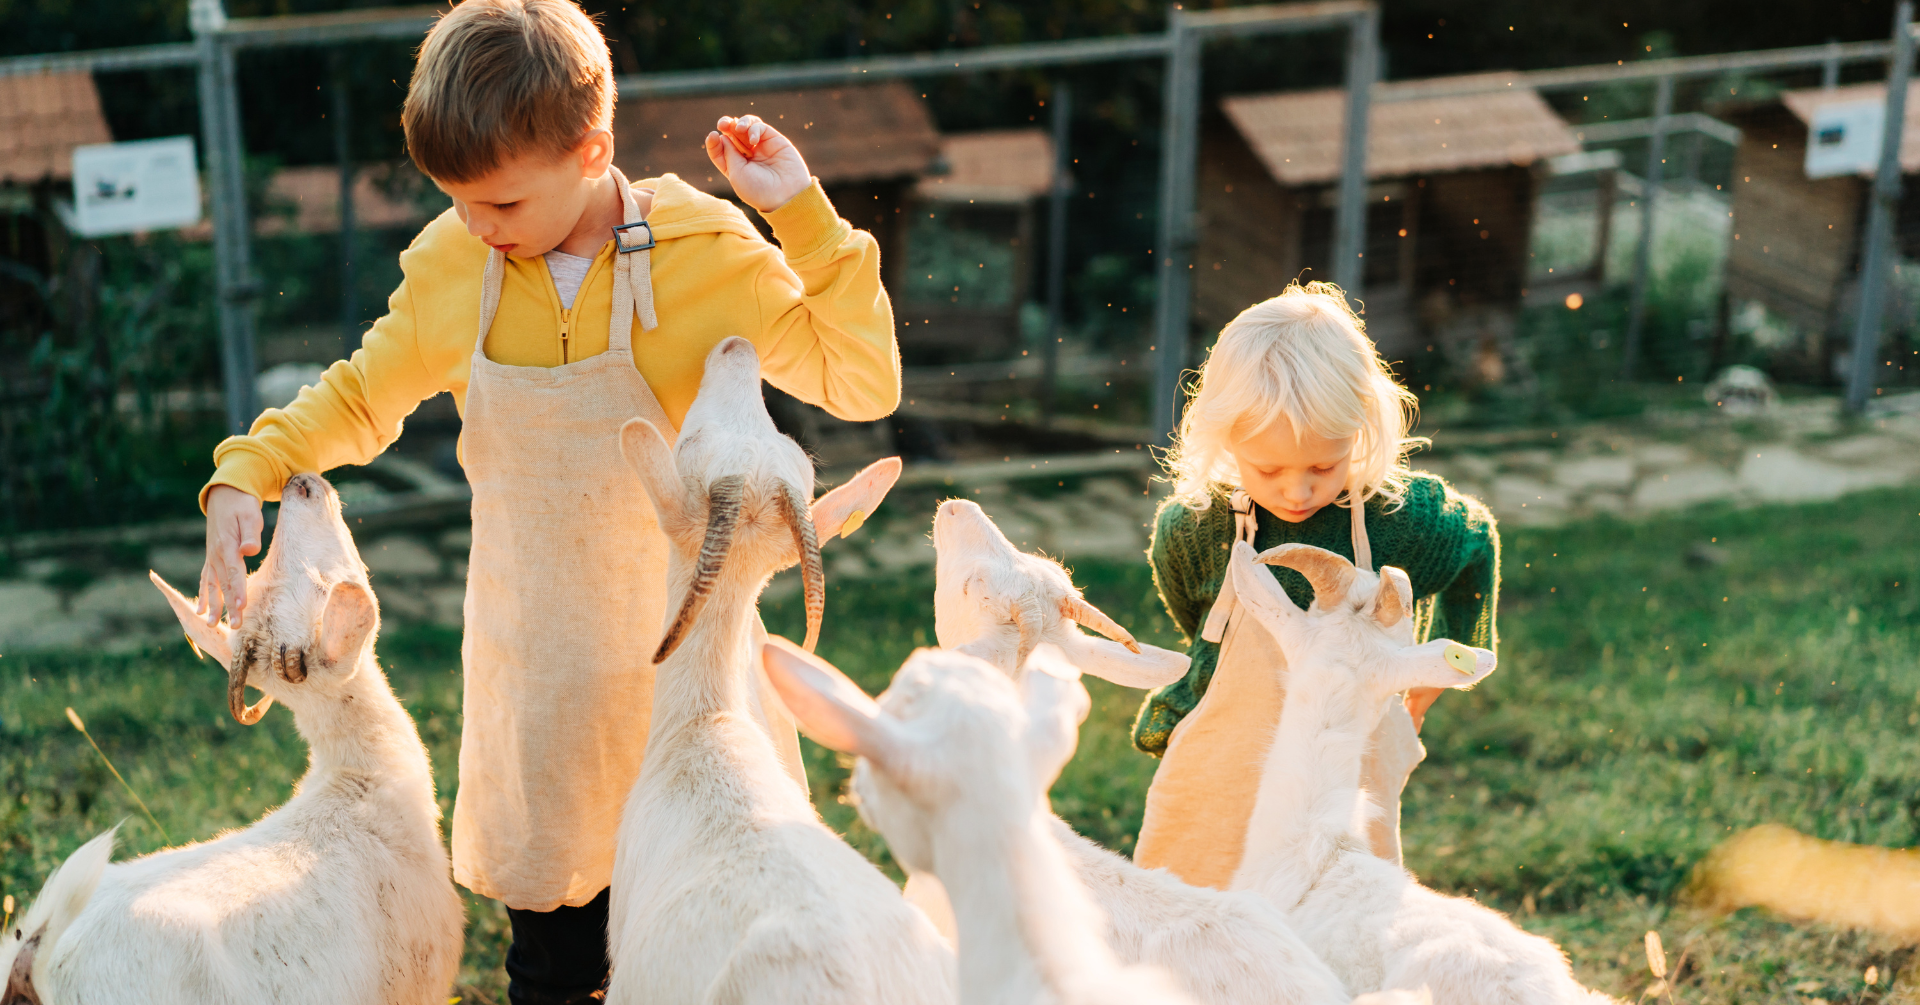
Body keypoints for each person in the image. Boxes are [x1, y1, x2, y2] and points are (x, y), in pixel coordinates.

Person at [193, 2, 899, 1001]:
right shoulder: (455, 264)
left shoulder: (702, 251)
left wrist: (805, 219)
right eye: (457, 201)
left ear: (591, 149)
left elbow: (859, 380)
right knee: (555, 971)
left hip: (688, 695)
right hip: (541, 693)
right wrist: (247, 472)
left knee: (701, 956)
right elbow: (360, 393)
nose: (478, 226)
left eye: (503, 206)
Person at [1130, 281, 1499, 891]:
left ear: (1360, 429)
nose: (1297, 492)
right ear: (1227, 440)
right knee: (1196, 910)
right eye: (1269, 469)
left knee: (1336, 918)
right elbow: (1197, 621)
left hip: (1343, 768)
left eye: (1323, 467)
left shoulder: (1404, 522)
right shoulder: (1195, 531)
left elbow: (1477, 542)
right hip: (1227, 769)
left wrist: (1453, 651)